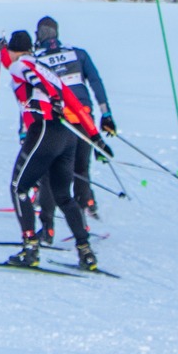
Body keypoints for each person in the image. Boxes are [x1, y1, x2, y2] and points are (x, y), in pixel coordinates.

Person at [0, 29, 100, 271]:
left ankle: (30, 249)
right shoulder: (43, 66)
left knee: (19, 188)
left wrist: (53, 98)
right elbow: (72, 100)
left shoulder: (22, 65)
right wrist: (94, 134)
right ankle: (85, 252)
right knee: (62, 194)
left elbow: (29, 75)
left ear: (14, 51)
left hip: (44, 129)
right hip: (67, 135)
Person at [30, 13, 113, 230]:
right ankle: (85, 212)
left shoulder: (37, 60)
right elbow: (96, 82)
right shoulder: (78, 53)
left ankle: (47, 225)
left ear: (39, 35)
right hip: (84, 117)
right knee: (81, 168)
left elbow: (31, 97)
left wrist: (26, 129)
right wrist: (106, 115)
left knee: (49, 171)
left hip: (58, 121)